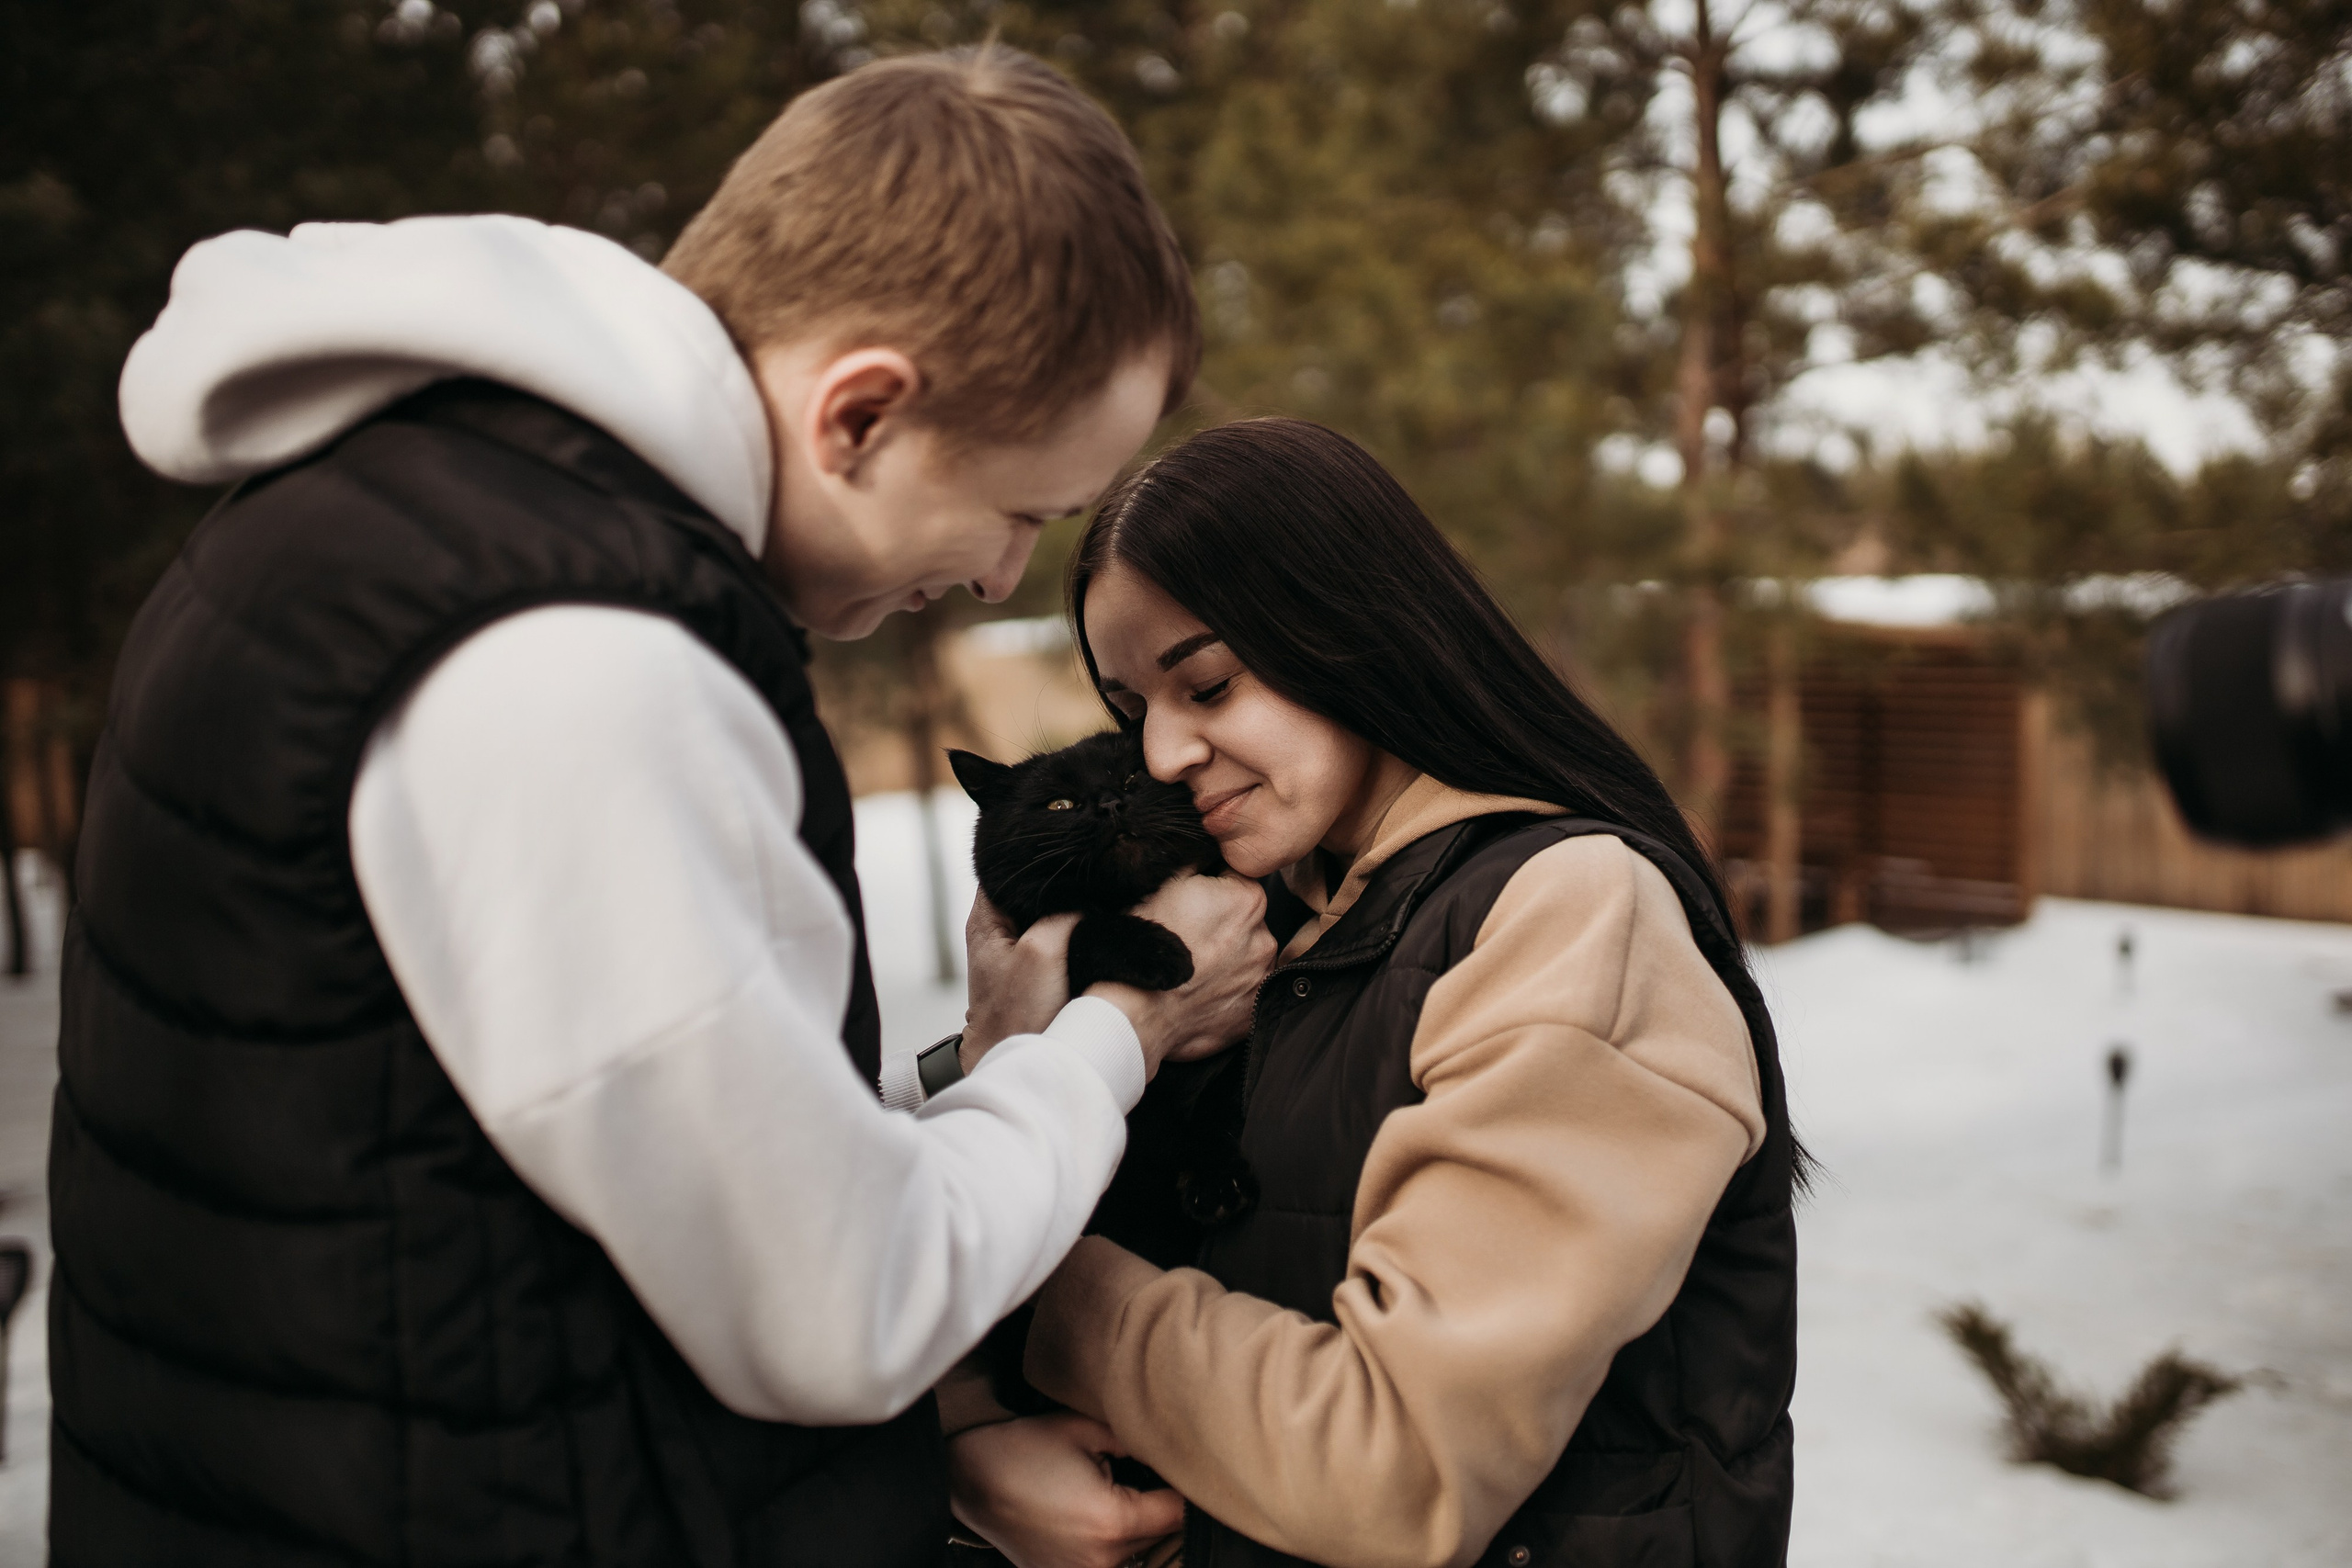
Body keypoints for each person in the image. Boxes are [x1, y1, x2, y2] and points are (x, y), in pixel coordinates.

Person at [53, 46, 1272, 1568]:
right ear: (861, 414)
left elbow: (511, 1241)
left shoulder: (401, 530)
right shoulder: (569, 661)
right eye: (1020, 510)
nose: (998, 579)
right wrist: (1114, 1037)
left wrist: (941, 1461)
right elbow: (838, 1306)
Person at [946, 420, 1799, 1568]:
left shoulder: (1570, 913)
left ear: (1347, 627)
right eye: (1130, 708)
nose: (1160, 756)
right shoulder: (1283, 929)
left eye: (1205, 683)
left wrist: (1035, 1281)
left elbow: (1393, 1470)